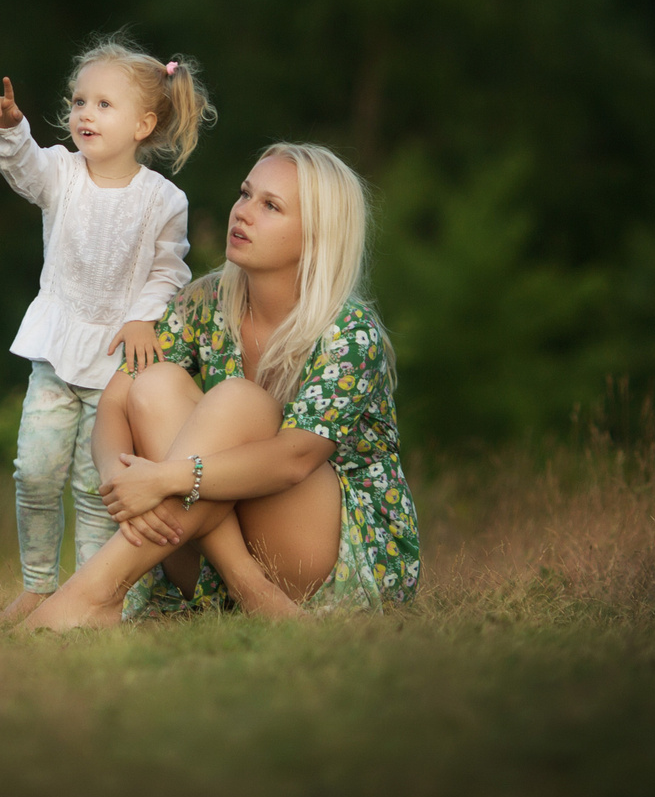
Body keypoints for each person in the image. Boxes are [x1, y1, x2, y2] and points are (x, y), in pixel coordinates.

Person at [22, 142, 419, 630]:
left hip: (326, 555)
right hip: (208, 549)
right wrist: (119, 479)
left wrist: (164, 480)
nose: (243, 212)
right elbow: (116, 400)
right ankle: (246, 587)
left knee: (237, 400)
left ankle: (96, 592)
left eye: (271, 206)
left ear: (317, 235)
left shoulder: (348, 332)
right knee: (154, 384)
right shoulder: (205, 301)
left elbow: (294, 459)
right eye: (245, 194)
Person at [0, 38, 214, 624]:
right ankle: (38, 585)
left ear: (143, 124)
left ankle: (93, 597)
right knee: (35, 471)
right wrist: (10, 131)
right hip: (56, 351)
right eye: (79, 101)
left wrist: (142, 317)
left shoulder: (164, 199)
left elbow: (169, 269)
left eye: (104, 104)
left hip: (115, 362)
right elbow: (23, 167)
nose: (85, 113)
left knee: (95, 487)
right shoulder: (62, 173)